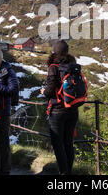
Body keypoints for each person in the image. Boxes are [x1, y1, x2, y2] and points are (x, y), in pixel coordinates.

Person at [40, 40, 78, 175]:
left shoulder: (53, 67)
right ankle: (69, 171)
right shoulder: (73, 65)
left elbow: (50, 91)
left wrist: (43, 91)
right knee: (68, 143)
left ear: (54, 51)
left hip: (57, 110)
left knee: (58, 144)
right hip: (73, 108)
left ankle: (64, 173)